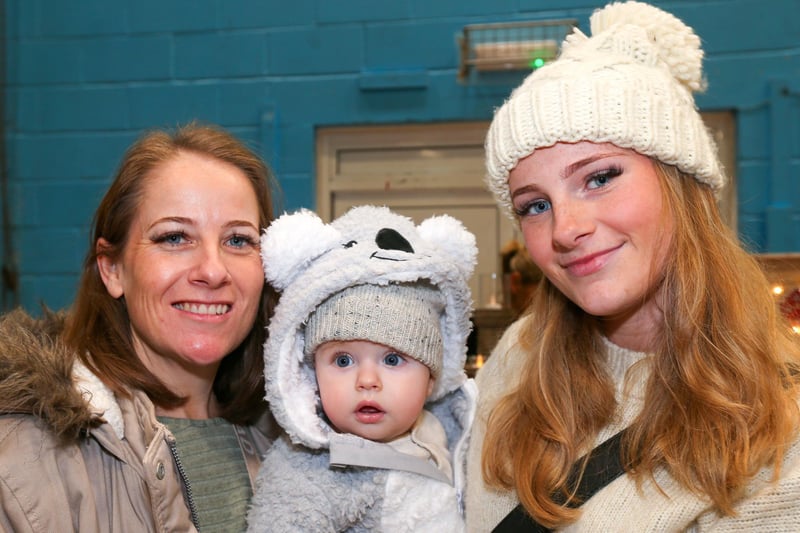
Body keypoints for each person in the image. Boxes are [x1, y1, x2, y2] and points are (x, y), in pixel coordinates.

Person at [466, 1, 800, 531]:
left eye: (599, 178)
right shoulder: (518, 359)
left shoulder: (781, 423)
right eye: (535, 205)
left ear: (682, 183)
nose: (565, 229)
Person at [0, 121, 280, 532]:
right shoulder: (24, 459)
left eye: (238, 240)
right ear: (112, 269)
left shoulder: (297, 441)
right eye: (173, 238)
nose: (213, 270)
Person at [246, 205, 478, 532]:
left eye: (393, 359)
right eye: (343, 360)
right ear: (312, 375)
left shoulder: (451, 430)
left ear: (431, 377)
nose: (367, 381)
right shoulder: (310, 475)